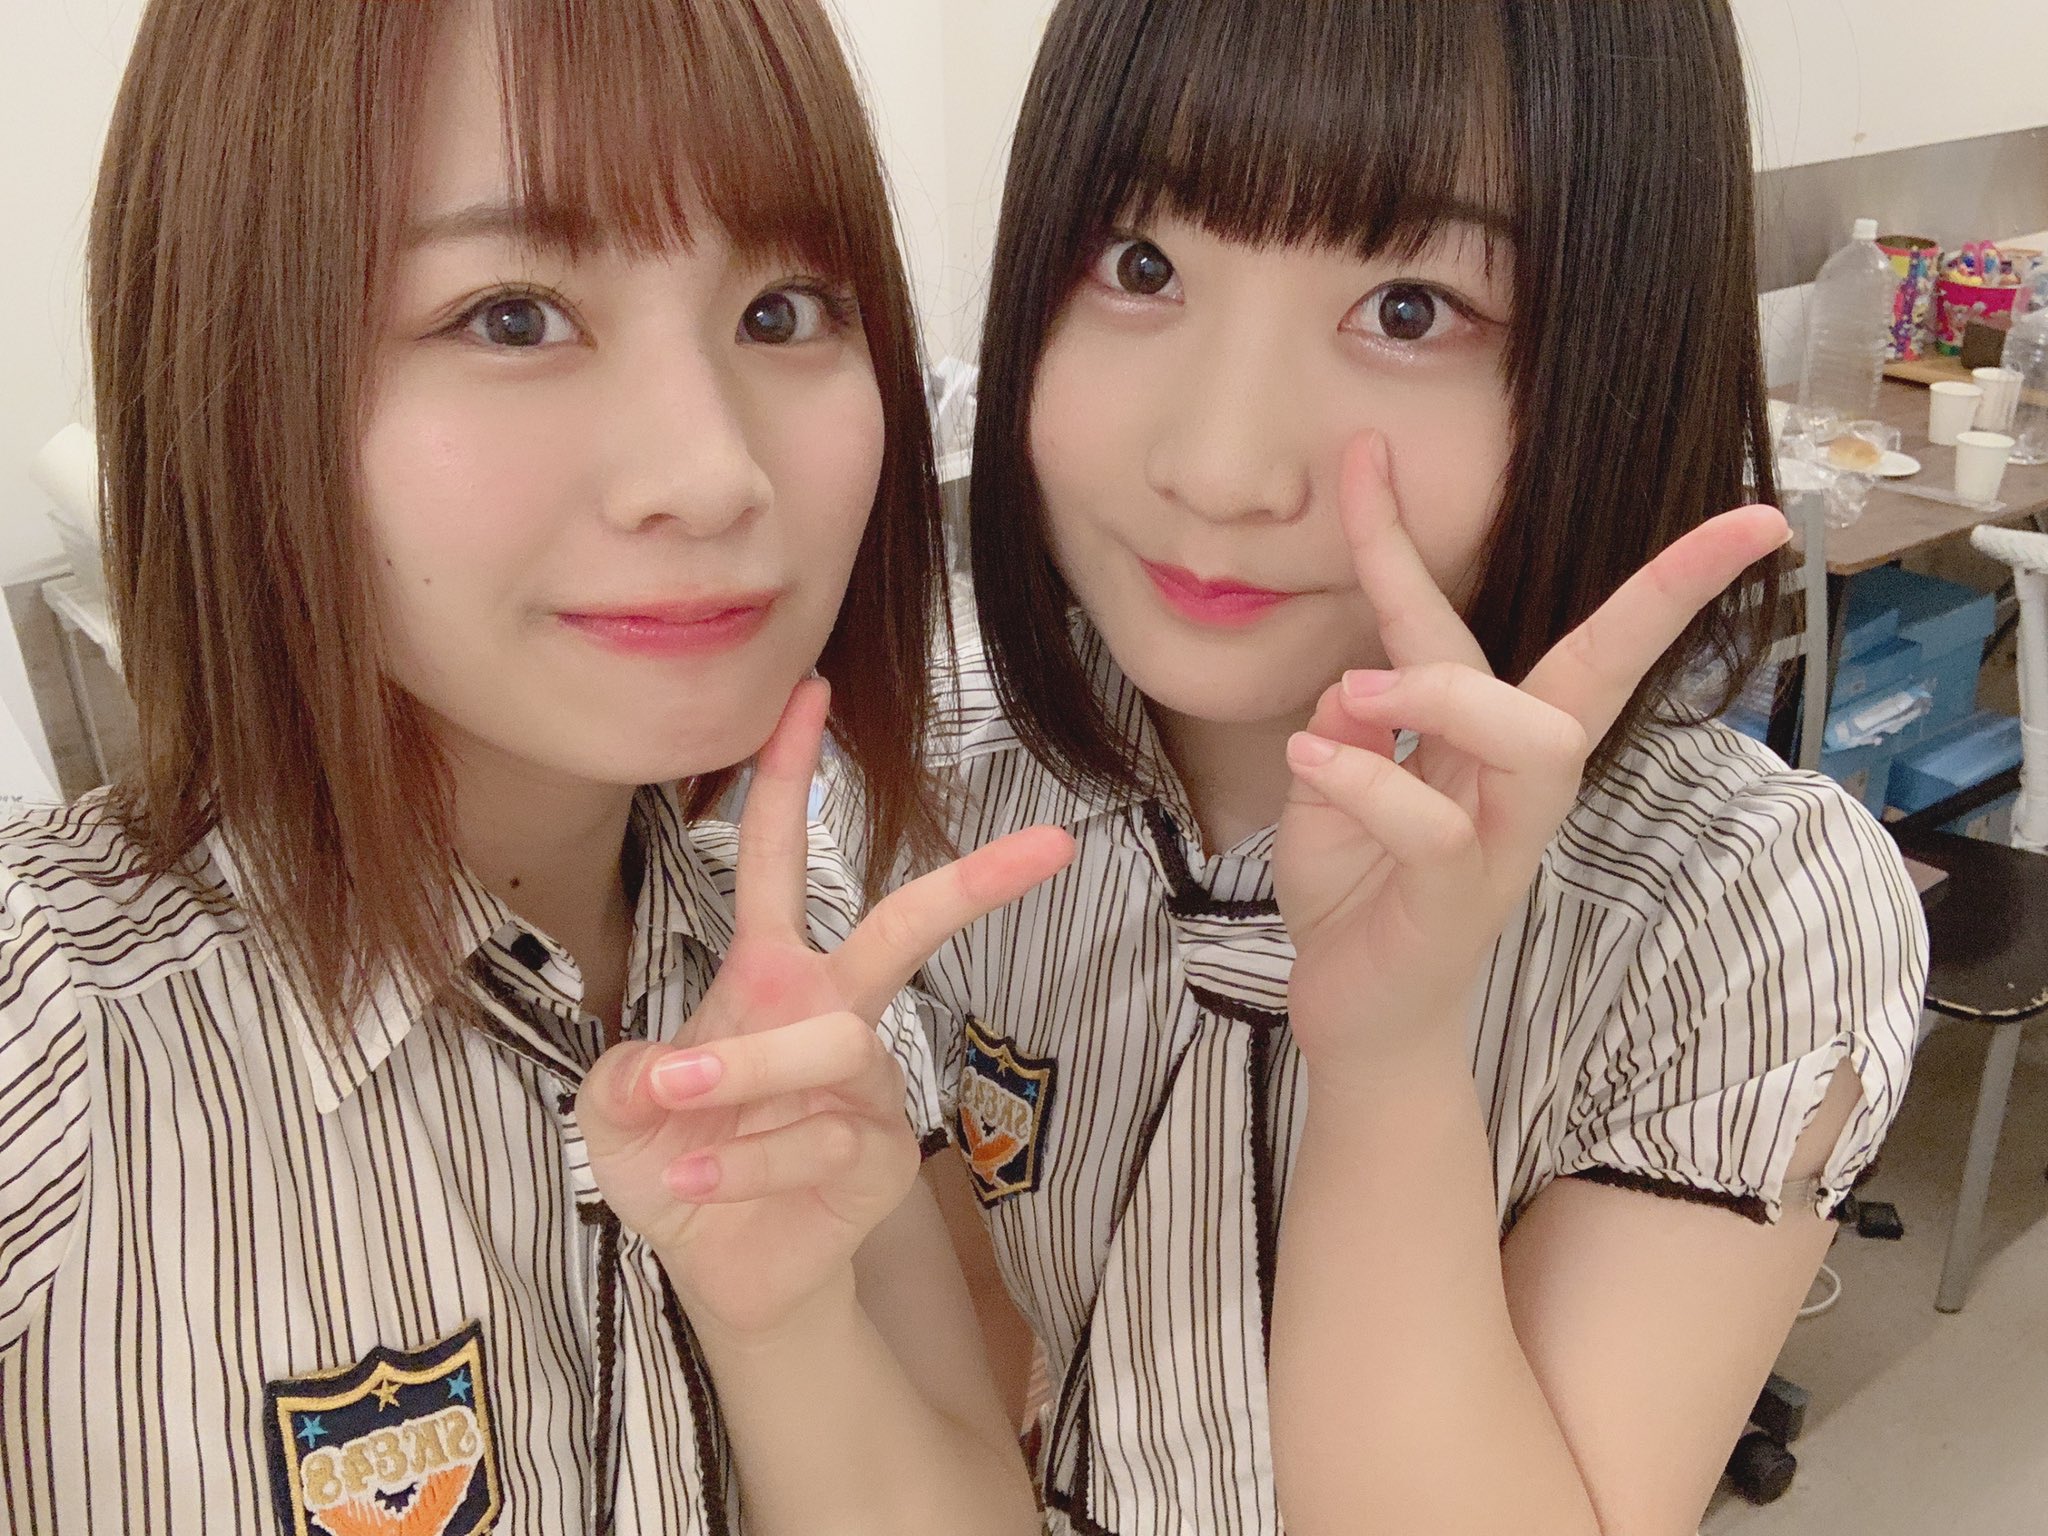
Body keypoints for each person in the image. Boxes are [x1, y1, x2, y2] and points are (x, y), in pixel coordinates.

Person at [827, 3, 1929, 1531]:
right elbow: (966, 1397)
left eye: (1410, 309)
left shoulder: (1743, 914)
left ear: (1622, 351)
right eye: (1140, 265)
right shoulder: (920, 786)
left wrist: (1392, 1061)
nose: (1219, 466)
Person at [0, 1, 1071, 1532]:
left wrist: (783, 1327)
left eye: (782, 312)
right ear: (233, 374)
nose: (713, 474)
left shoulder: (802, 950)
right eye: (511, 317)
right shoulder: (51, 1025)